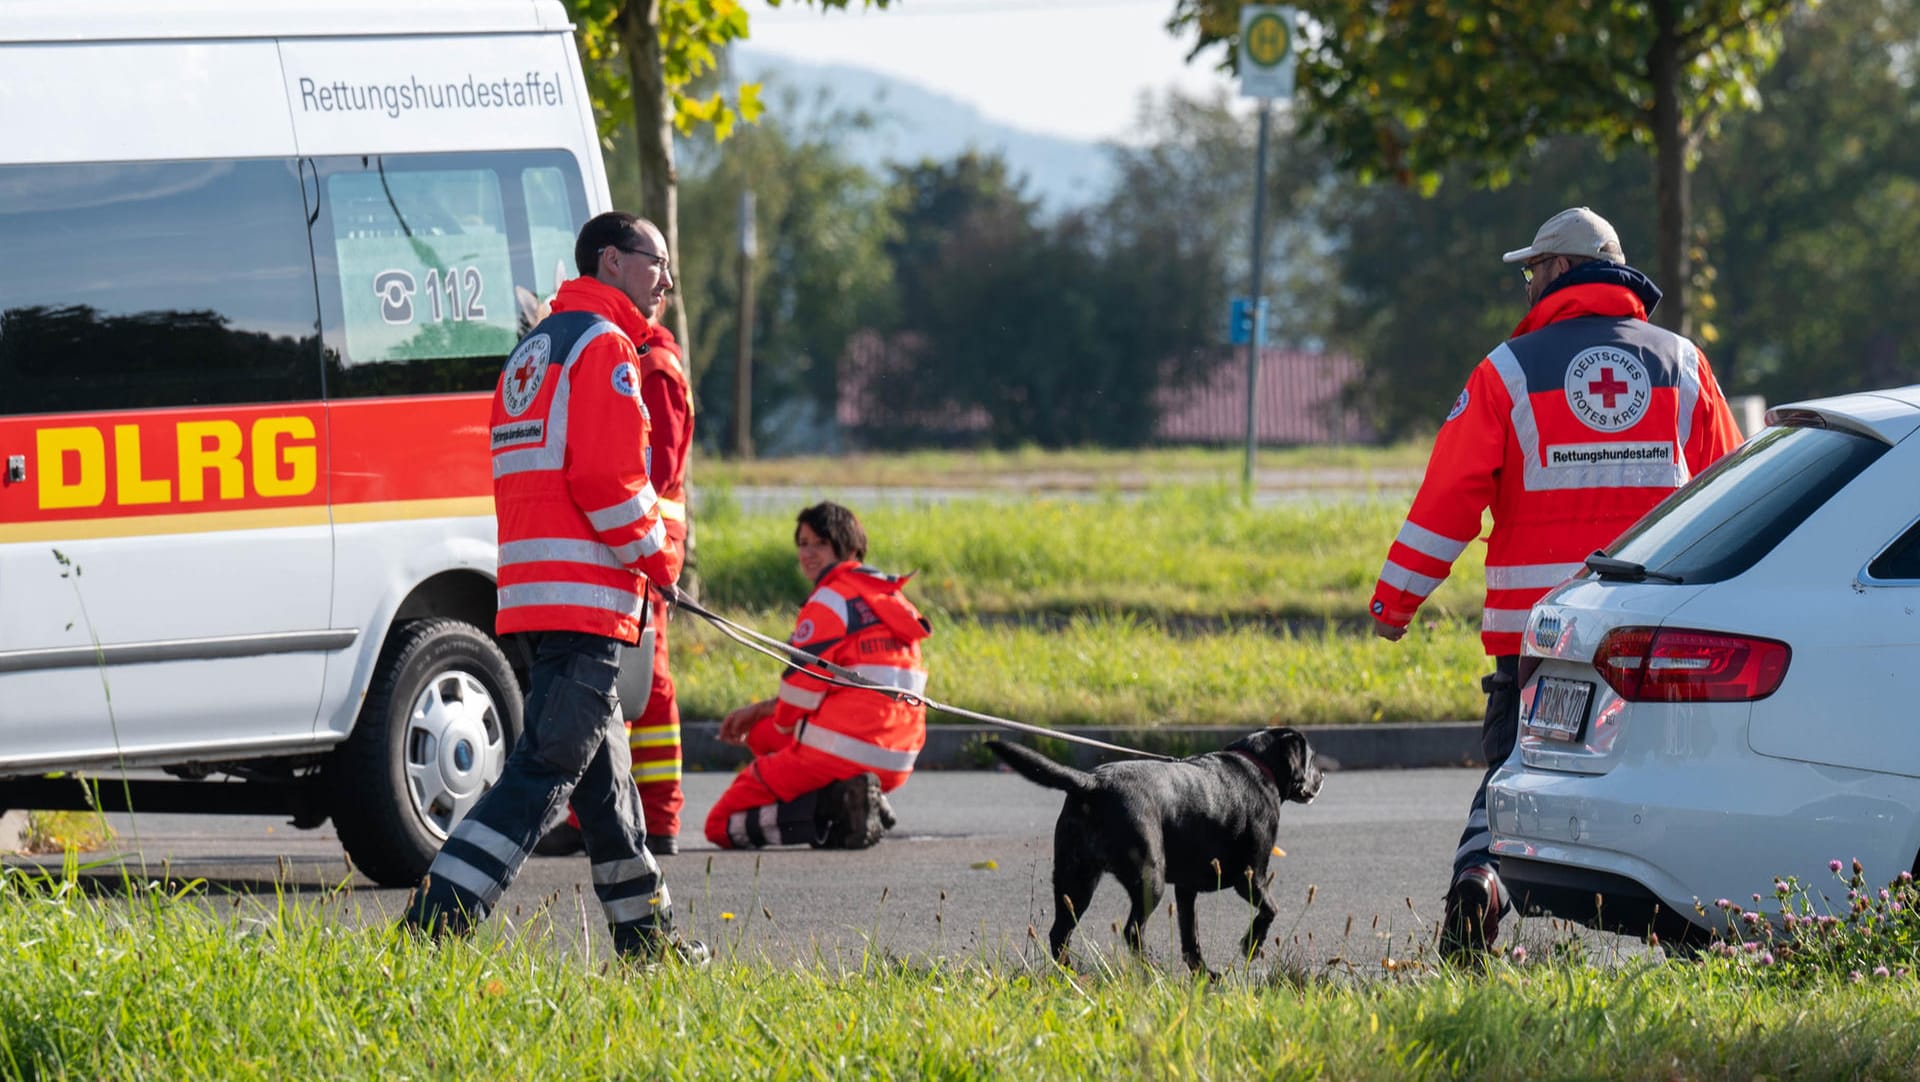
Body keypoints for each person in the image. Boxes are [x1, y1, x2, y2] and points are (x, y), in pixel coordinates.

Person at [1368, 206, 1744, 961]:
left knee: (1516, 774)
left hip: (1538, 635)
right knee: (1668, 783)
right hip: (1653, 634)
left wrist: (1395, 601)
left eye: (1535, 268)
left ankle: (1482, 881)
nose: (1529, 281)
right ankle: (1697, 937)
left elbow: (1448, 498)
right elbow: (1730, 496)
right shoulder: (1682, 364)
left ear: (1566, 270)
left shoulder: (1507, 369)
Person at [401, 211, 705, 966]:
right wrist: (663, 557)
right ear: (610, 260)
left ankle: (647, 941)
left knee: (605, 785)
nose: (666, 278)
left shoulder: (535, 348)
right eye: (654, 260)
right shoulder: (604, 348)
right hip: (587, 598)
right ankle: (434, 929)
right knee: (542, 770)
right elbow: (608, 479)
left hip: (538, 594)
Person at [536, 314, 696, 858]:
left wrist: (646, 545)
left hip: (641, 542)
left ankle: (656, 814)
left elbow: (652, 467)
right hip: (630, 537)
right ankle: (608, 817)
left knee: (643, 681)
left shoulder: (650, 364)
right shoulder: (630, 354)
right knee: (623, 683)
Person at [703, 502, 930, 851]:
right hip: (898, 758)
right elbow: (847, 688)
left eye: (820, 544)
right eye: (803, 543)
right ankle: (856, 800)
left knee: (721, 826)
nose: (808, 553)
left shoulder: (829, 600)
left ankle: (836, 809)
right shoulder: (890, 599)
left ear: (850, 548)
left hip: (842, 751)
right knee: (762, 734)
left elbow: (799, 696)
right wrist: (762, 712)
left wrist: (781, 730)